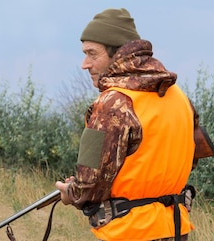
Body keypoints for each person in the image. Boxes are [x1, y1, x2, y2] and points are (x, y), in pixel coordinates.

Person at [54, 8, 198, 241]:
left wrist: (71, 192)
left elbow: (90, 184)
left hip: (130, 233)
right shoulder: (179, 97)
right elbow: (189, 157)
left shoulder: (112, 103)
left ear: (117, 54)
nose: (84, 64)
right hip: (175, 229)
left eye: (92, 54)